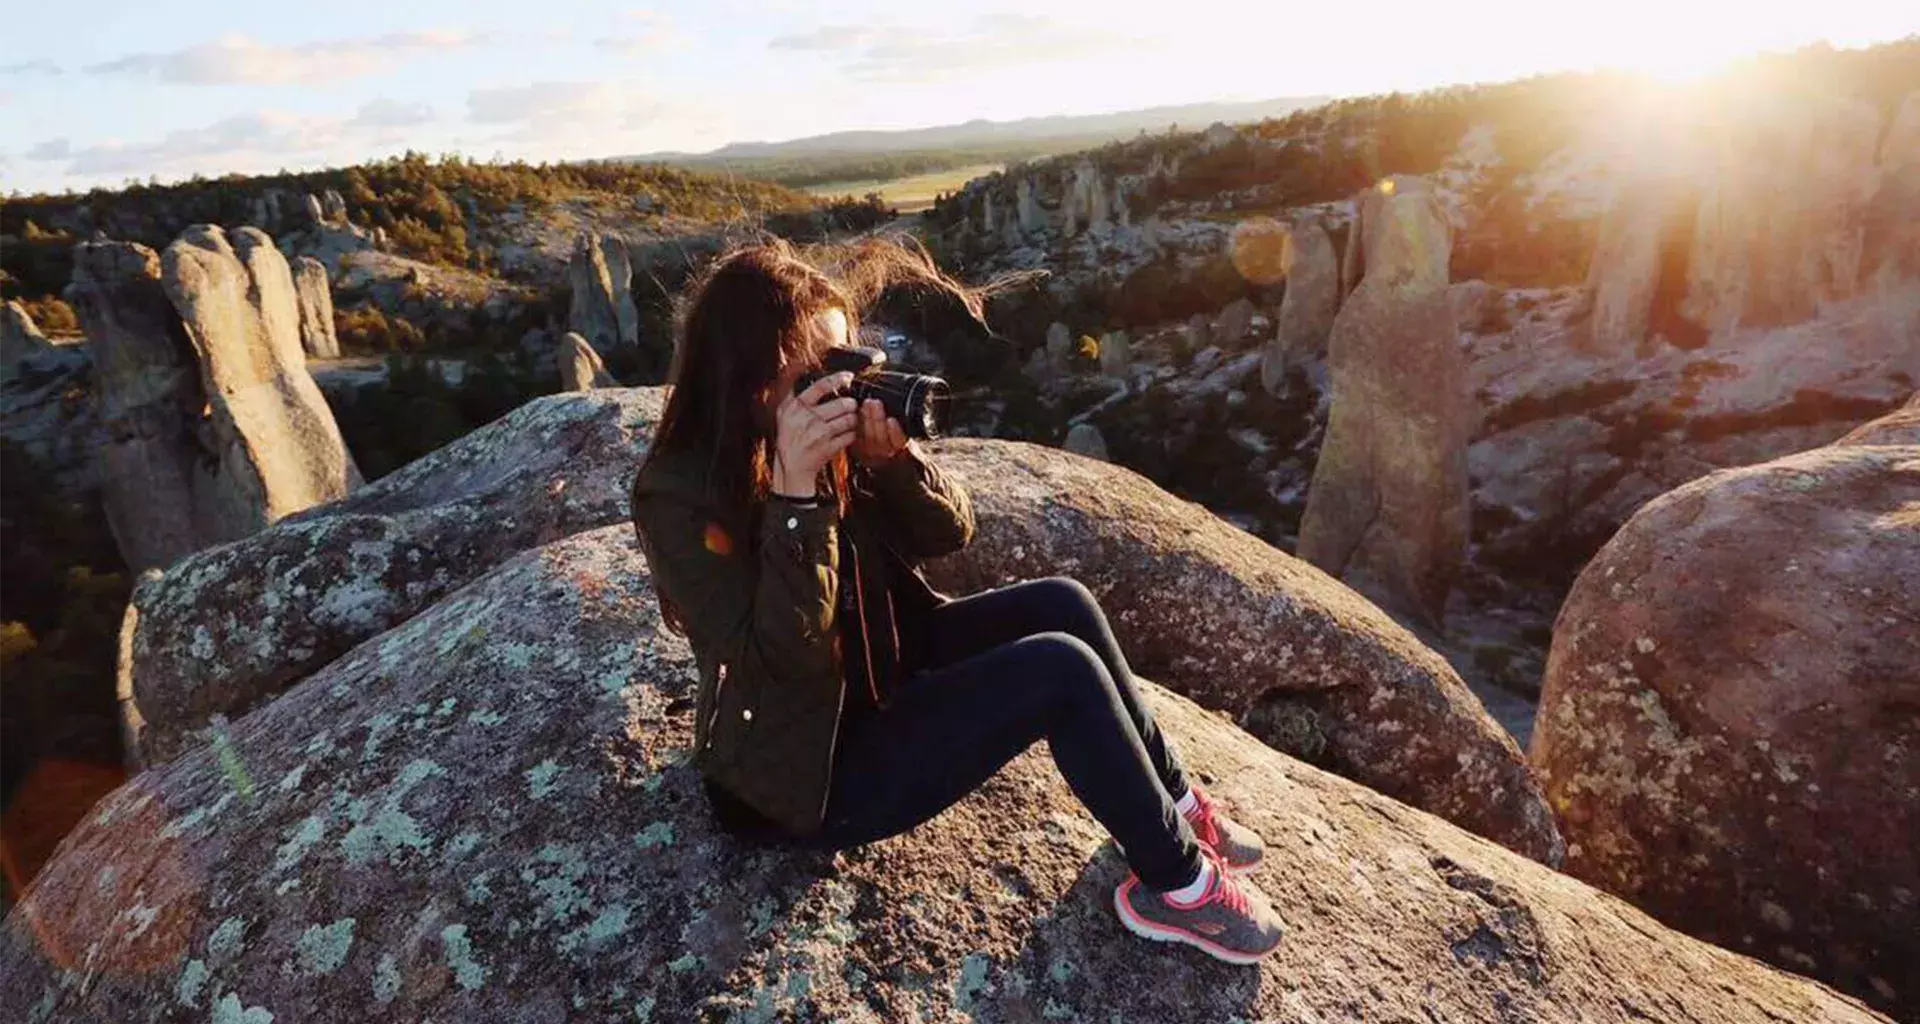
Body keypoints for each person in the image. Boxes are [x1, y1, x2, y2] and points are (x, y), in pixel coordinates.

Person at [629, 238, 1287, 964]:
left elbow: (950, 533)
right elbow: (779, 660)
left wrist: (895, 461)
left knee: (1063, 604)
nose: (847, 387)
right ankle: (1181, 889)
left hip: (885, 668)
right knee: (1058, 672)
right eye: (823, 370)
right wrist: (794, 498)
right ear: (750, 380)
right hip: (804, 773)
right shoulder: (677, 495)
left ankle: (1177, 808)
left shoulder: (830, 431)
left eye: (852, 362)